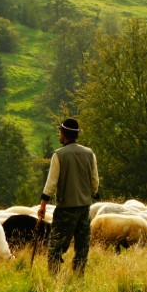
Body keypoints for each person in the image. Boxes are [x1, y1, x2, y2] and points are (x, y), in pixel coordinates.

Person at [37, 118, 99, 276]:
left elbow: (51, 184)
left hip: (66, 209)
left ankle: (55, 279)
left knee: (56, 247)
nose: (59, 134)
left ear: (64, 134)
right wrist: (91, 194)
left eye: (60, 132)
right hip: (85, 208)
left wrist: (43, 205)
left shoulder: (59, 155)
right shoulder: (89, 153)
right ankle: (79, 278)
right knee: (82, 246)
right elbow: (94, 182)